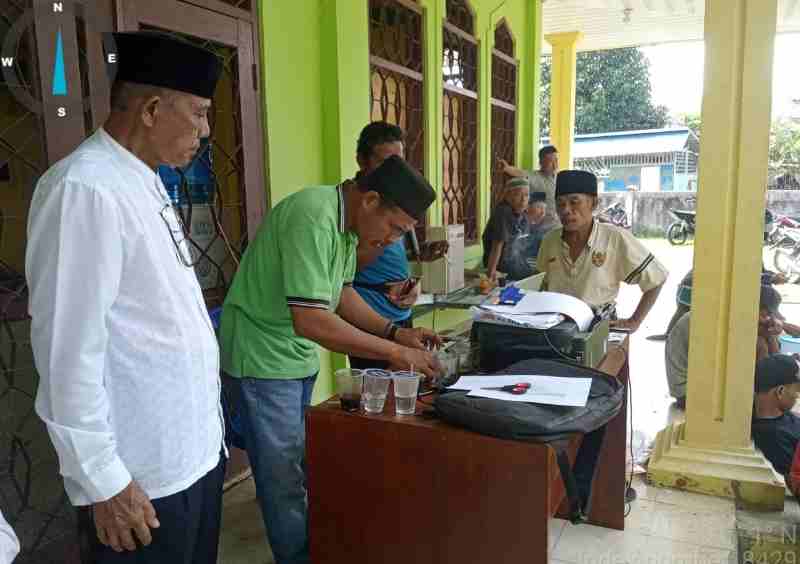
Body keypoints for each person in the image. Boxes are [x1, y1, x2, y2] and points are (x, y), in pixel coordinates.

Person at [26, 33, 227, 563]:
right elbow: (67, 353)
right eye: (200, 114)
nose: (206, 132)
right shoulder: (84, 188)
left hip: (192, 457)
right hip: (139, 484)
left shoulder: (144, 179)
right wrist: (104, 481)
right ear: (154, 109)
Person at [219, 154, 441, 564]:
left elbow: (339, 296)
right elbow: (311, 320)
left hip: (293, 359)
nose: (394, 240)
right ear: (371, 200)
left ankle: (318, 546)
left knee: (302, 464)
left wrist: (397, 331)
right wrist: (395, 353)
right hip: (262, 359)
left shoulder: (346, 227)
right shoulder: (313, 217)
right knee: (282, 476)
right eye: (395, 229)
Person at [349, 122, 447, 370]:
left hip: (399, 312)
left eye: (400, 162)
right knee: (376, 393)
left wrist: (413, 277)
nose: (396, 171)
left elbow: (395, 254)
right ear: (362, 160)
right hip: (368, 312)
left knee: (409, 383)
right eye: (385, 161)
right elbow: (343, 272)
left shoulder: (397, 201)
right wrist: (382, 240)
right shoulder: (355, 208)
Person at [537, 170, 668, 331]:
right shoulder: (550, 240)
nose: (566, 210)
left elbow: (657, 278)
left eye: (574, 202)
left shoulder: (615, 237)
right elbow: (542, 283)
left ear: (594, 203)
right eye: (560, 203)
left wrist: (635, 321)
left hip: (599, 327)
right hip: (555, 327)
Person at [666, 285, 784, 409]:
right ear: (755, 307)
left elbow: (776, 364)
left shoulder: (731, 312)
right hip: (688, 393)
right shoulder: (717, 319)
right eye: (766, 315)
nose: (766, 320)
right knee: (759, 346)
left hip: (696, 387)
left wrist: (771, 336)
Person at [647, 266, 789, 342]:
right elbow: (749, 274)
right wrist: (771, 278)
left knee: (682, 317)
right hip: (690, 290)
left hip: (687, 290)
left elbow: (759, 273)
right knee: (690, 319)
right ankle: (670, 336)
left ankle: (669, 335)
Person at [752, 354, 800, 490]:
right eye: (797, 390)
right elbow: (794, 477)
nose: (797, 396)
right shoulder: (773, 435)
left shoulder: (782, 417)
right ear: (780, 391)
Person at [482, 177, 533, 282]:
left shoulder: (522, 213)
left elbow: (524, 243)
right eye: (518, 194)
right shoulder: (503, 212)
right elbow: (497, 245)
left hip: (518, 267)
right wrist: (491, 274)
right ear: (508, 196)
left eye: (527, 195)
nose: (523, 199)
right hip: (503, 271)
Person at [500, 145, 559, 231]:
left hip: (559, 227)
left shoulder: (560, 178)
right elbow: (520, 173)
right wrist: (507, 168)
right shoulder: (535, 177)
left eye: (556, 160)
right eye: (550, 161)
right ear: (541, 162)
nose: (555, 165)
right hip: (542, 230)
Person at [526, 191, 548, 260]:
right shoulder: (518, 226)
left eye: (544, 208)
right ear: (527, 207)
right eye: (539, 207)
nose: (542, 212)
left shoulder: (543, 232)